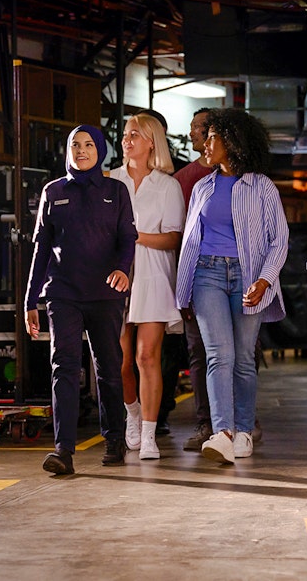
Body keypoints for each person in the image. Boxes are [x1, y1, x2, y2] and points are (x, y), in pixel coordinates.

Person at [175, 108, 289, 465]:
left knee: (242, 359)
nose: (205, 144)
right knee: (217, 356)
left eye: (212, 137)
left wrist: (265, 279)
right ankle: (222, 433)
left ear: (232, 141)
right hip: (206, 275)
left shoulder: (262, 187)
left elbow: (279, 239)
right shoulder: (202, 188)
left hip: (248, 276)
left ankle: (243, 431)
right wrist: (184, 288)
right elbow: (191, 241)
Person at [25, 124, 138, 475]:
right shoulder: (53, 191)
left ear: (100, 149)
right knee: (64, 368)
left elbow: (127, 239)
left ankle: (114, 440)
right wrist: (30, 300)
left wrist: (123, 270)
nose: (82, 151)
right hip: (63, 294)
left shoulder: (116, 191)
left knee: (108, 369)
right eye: (75, 145)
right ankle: (64, 451)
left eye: (89, 144)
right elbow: (41, 250)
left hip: (105, 294)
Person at [110, 113, 185, 460]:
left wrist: (133, 235)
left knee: (146, 356)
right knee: (122, 360)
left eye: (135, 134)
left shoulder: (167, 185)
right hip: (116, 276)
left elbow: (172, 238)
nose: (127, 140)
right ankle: (133, 415)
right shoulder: (110, 181)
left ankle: (150, 434)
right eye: (125, 135)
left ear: (151, 141)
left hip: (154, 275)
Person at [172, 107, 216, 450]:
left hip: (237, 278)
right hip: (198, 276)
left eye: (197, 128)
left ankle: (241, 421)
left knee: (241, 353)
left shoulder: (245, 176)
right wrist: (182, 288)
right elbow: (179, 239)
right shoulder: (184, 179)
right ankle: (206, 424)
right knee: (199, 352)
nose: (191, 135)